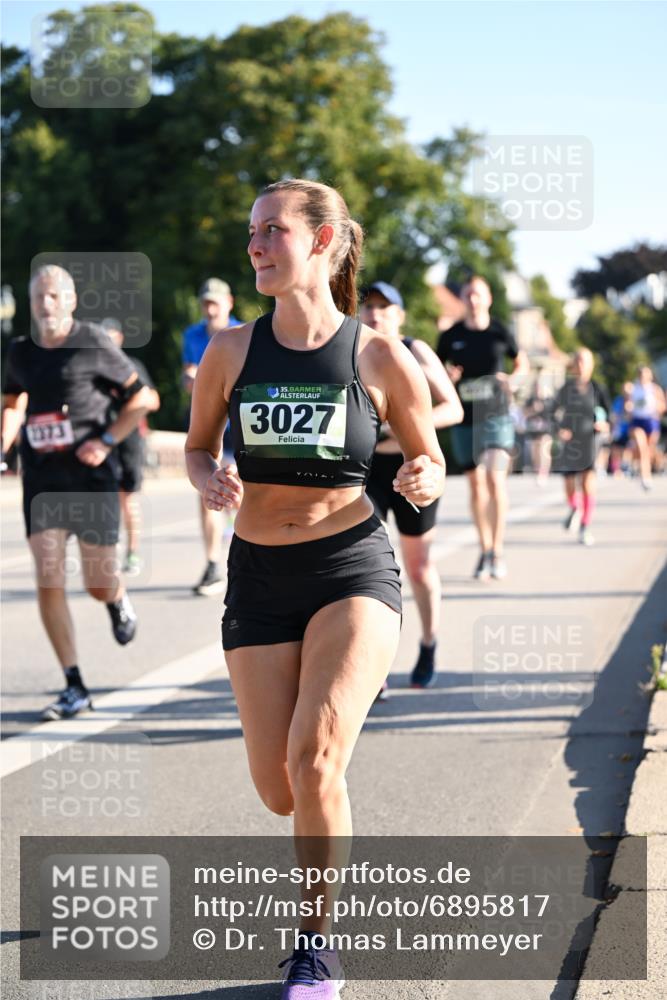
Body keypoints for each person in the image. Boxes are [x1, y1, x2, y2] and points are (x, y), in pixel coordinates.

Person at [185, 178, 445, 996]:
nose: (256, 245)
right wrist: (209, 477)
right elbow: (196, 446)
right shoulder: (229, 351)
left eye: (273, 231)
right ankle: (321, 808)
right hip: (258, 576)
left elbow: (426, 452)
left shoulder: (378, 354)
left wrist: (422, 475)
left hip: (350, 565)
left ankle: (317, 946)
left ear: (323, 243)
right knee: (279, 788)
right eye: (252, 232)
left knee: (315, 757)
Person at [1, 265, 152, 719]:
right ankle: (74, 684)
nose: (44, 306)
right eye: (37, 298)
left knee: (97, 581)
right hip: (43, 478)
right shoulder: (20, 353)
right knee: (48, 573)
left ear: (70, 300)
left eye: (52, 297)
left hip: (91, 478)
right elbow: (13, 403)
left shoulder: (93, 342)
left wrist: (106, 440)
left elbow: (144, 398)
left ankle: (117, 595)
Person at [361, 281, 462, 690]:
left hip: (414, 469)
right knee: (366, 571)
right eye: (367, 306)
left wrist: (400, 428)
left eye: (385, 307)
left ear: (400, 315)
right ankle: (369, 667)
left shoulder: (415, 350)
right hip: (367, 473)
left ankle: (428, 642)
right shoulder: (352, 351)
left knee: (417, 569)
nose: (375, 314)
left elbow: (451, 408)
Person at [437, 275, 528, 581]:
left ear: (488, 298)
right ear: (462, 299)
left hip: (498, 417)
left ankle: (498, 550)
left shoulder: (500, 330)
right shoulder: (451, 336)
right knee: (476, 485)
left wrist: (513, 381)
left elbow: (522, 363)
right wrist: (447, 378)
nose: (473, 299)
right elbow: (435, 372)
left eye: (479, 294)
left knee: (494, 478)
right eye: (468, 294)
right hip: (464, 420)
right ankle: (485, 547)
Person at [182, 278, 242, 595]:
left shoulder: (244, 334)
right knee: (208, 493)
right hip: (208, 424)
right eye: (205, 303)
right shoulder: (191, 335)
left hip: (241, 427)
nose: (209, 309)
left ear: (228, 303)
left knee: (240, 496)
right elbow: (189, 377)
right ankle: (212, 565)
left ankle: (241, 552)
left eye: (215, 303)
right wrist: (193, 381)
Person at [101, 318, 161, 574]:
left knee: (127, 500)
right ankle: (105, 553)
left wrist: (134, 403)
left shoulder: (132, 366)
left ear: (120, 338)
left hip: (129, 442)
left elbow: (154, 401)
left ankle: (133, 552)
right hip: (100, 441)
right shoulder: (92, 369)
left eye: (111, 336)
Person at [552, 348, 610, 546]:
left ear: (591, 364)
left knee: (586, 482)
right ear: (573, 365)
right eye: (577, 361)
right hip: (571, 440)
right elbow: (553, 411)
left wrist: (604, 424)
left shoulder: (598, 388)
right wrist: (560, 429)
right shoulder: (566, 388)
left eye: (584, 361)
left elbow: (608, 415)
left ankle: (585, 526)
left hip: (590, 439)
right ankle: (574, 507)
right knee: (569, 483)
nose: (581, 365)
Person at [629, 366, 665, 491]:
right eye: (640, 374)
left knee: (648, 451)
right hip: (637, 420)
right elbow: (627, 404)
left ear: (650, 376)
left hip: (651, 421)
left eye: (645, 374)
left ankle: (648, 471)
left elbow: (663, 406)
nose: (642, 377)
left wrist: (657, 405)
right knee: (641, 447)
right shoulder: (633, 388)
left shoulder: (655, 389)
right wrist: (628, 407)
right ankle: (645, 476)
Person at [524, 380, 554, 485]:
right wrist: (533, 409)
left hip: (546, 430)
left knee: (543, 451)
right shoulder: (530, 400)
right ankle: (538, 471)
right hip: (533, 431)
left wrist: (542, 407)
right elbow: (524, 413)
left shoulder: (548, 400)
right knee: (535, 453)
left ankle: (543, 472)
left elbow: (553, 415)